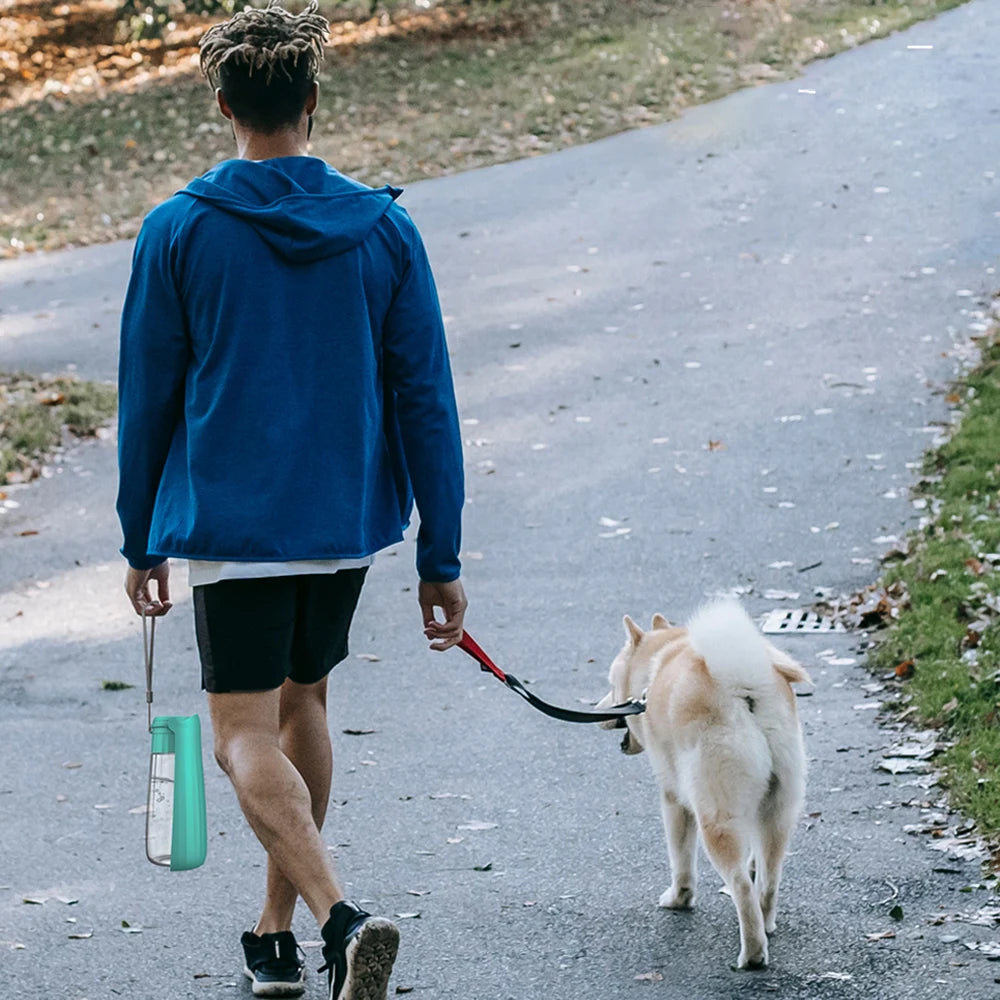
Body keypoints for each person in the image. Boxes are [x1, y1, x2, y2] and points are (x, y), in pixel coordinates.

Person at [116, 3, 467, 998]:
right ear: (311, 102)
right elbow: (426, 399)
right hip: (343, 519)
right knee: (304, 700)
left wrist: (138, 535)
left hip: (235, 521)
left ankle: (338, 913)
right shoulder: (385, 230)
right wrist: (440, 553)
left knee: (239, 731)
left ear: (224, 104)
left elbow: (147, 400)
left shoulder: (177, 230)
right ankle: (275, 929)